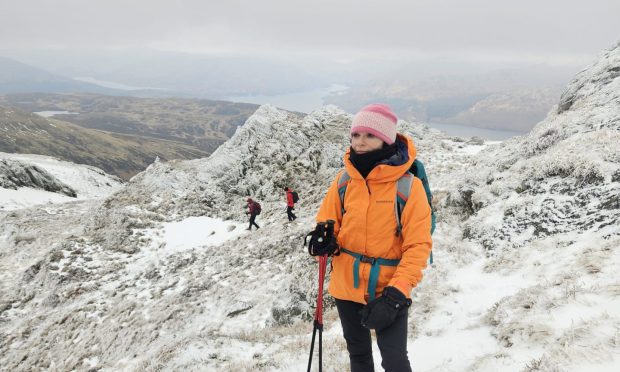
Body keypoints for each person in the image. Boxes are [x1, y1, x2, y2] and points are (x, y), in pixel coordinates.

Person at [314, 103, 432, 372]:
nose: (361, 142)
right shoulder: (345, 180)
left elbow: (418, 246)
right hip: (346, 286)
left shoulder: (407, 186)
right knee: (359, 357)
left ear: (386, 139)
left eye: (369, 135)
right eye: (356, 135)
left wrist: (395, 295)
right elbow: (328, 219)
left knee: (394, 361)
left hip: (388, 289)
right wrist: (326, 239)